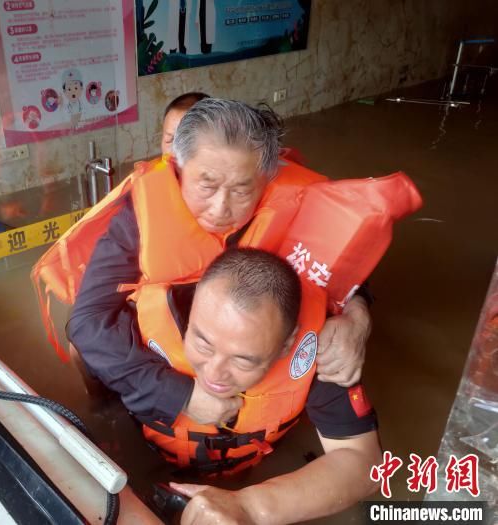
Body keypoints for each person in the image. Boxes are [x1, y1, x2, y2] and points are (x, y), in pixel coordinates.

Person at [41, 99, 372, 430]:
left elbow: (341, 260)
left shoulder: (296, 201)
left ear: (266, 179)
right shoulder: (140, 219)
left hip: (253, 354)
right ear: (180, 168)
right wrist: (178, 395)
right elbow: (87, 321)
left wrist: (357, 317)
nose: (220, 207)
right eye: (207, 186)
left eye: (242, 191)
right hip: (167, 354)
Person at [155, 248, 381, 525]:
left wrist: (250, 506)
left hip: (250, 471)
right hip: (150, 457)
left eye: (243, 360)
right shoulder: (139, 326)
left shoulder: (316, 354)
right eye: (203, 343)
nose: (214, 373)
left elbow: (366, 464)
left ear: (286, 345)